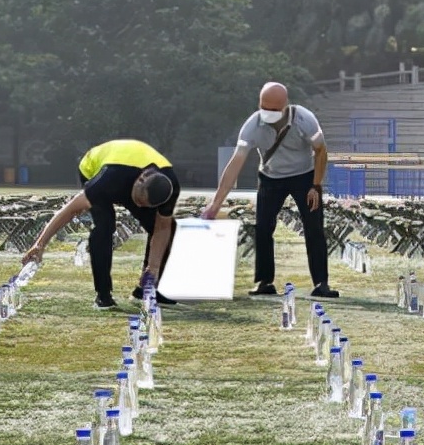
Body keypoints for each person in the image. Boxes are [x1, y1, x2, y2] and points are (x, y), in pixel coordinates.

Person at [201, 82, 337, 298]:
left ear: (285, 105)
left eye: (274, 110)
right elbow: (236, 163)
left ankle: (321, 283)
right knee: (263, 227)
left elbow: (320, 151)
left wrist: (316, 185)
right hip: (271, 177)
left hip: (304, 176)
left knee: (314, 228)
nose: (269, 113)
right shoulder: (252, 125)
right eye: (265, 107)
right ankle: (264, 281)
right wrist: (216, 203)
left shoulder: (304, 119)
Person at [22, 139, 180, 309]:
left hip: (134, 176)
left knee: (167, 226)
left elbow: (162, 227)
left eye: (145, 205)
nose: (138, 207)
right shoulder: (108, 180)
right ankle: (103, 295)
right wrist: (40, 244)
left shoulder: (170, 188)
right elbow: (70, 210)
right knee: (105, 226)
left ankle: (145, 289)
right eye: (138, 201)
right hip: (93, 168)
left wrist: (154, 267)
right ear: (140, 181)